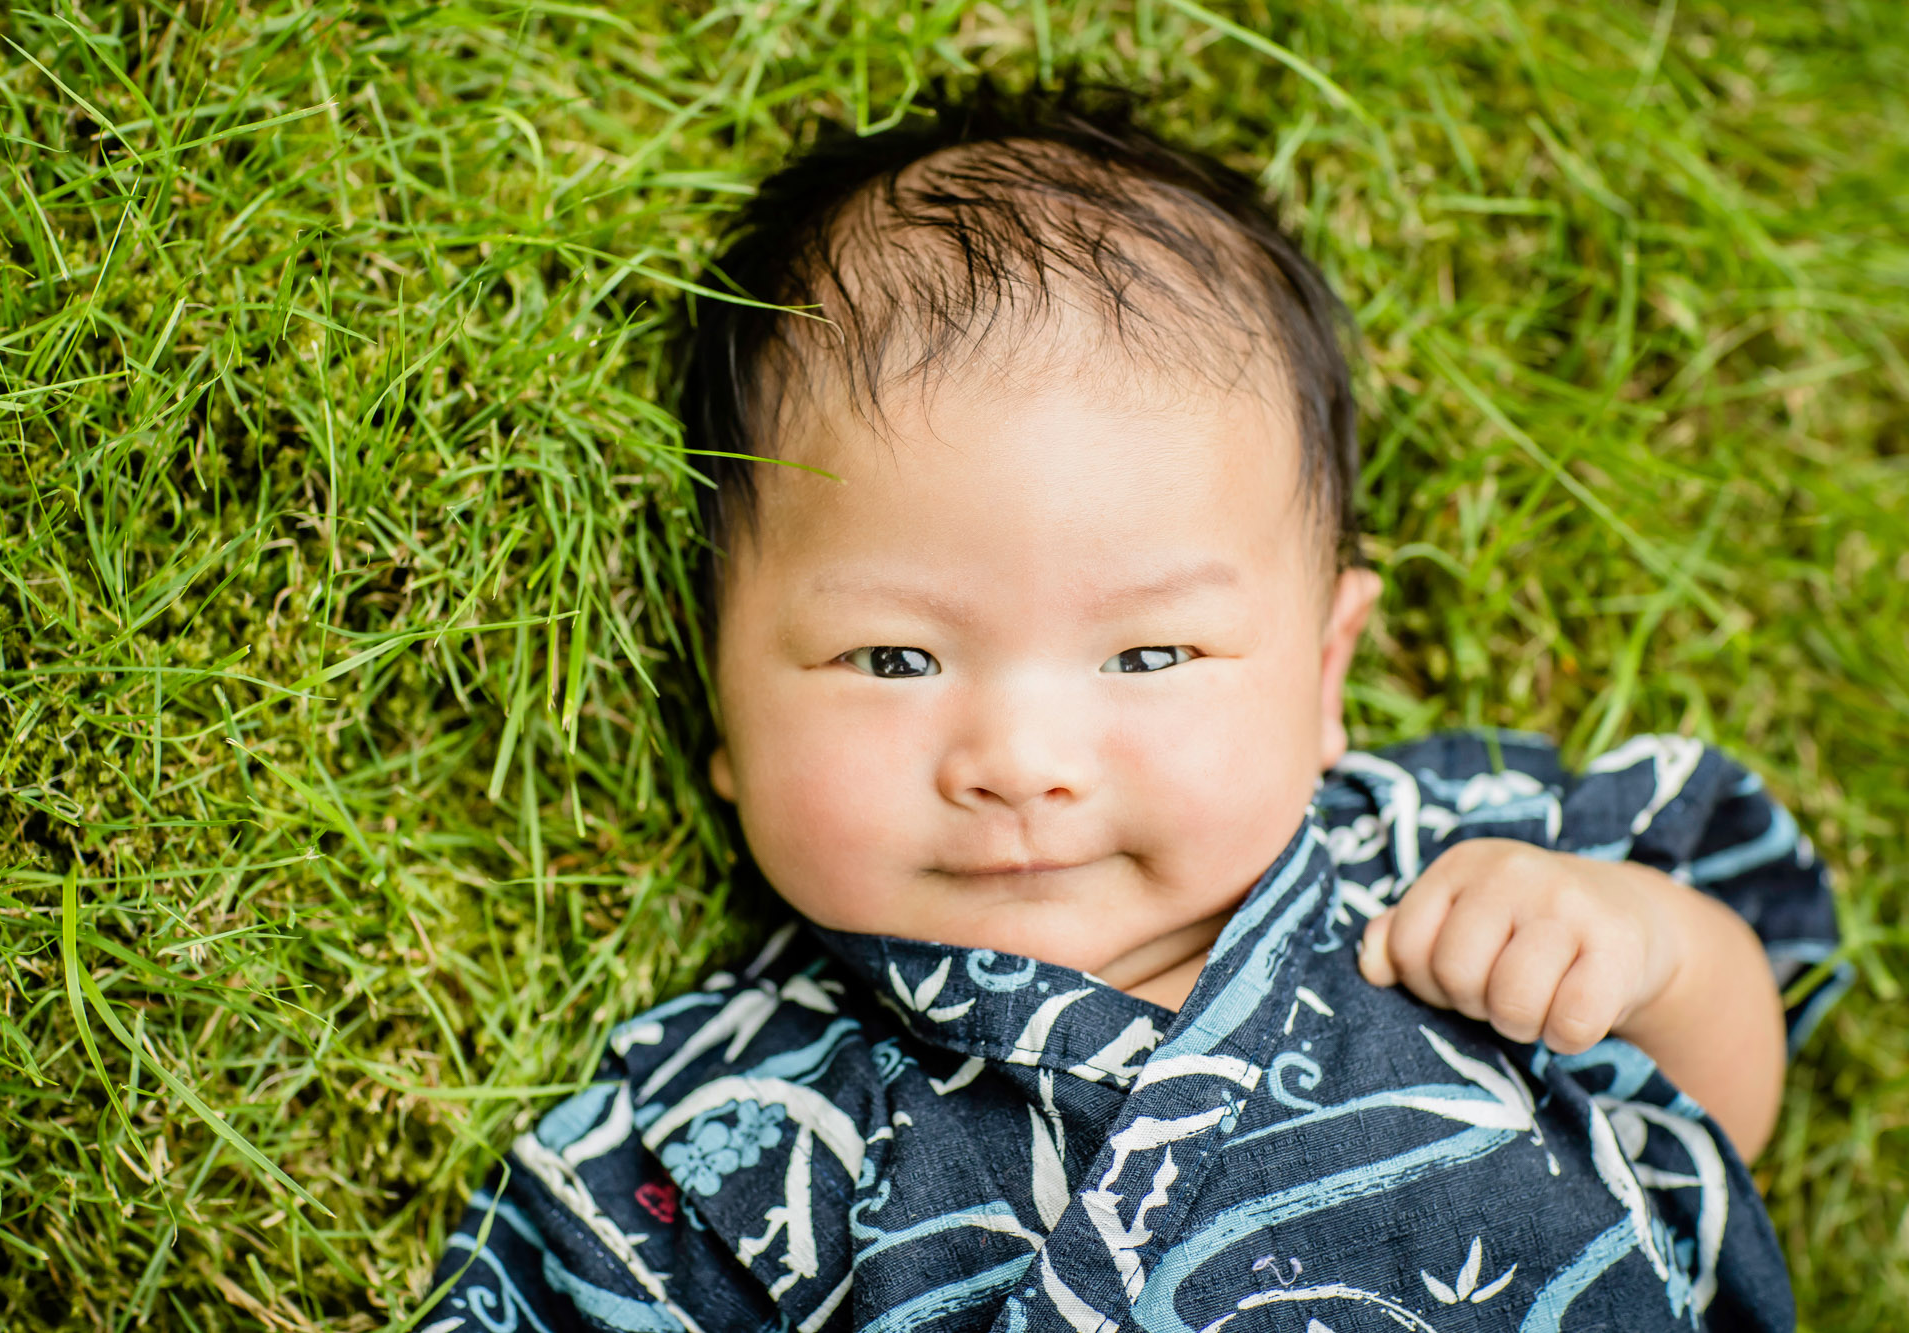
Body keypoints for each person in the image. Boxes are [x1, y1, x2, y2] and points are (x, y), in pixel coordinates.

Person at [414, 84, 1846, 1333]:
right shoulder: (725, 1135)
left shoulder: (1451, 864)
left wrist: (1646, 951)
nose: (1025, 763)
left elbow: (1726, 1120)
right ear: (721, 699)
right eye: (895, 659)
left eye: (1151, 655)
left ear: (1327, 672)